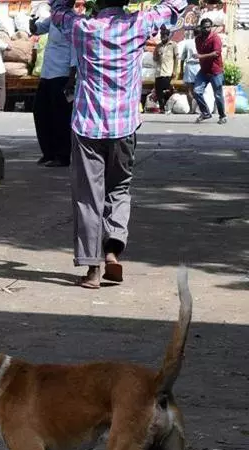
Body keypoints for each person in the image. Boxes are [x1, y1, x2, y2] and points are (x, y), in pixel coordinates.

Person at [50, 0, 187, 289]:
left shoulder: (83, 27)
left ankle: (91, 270)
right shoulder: (138, 24)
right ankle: (112, 250)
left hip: (88, 125)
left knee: (88, 197)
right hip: (124, 125)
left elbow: (58, 11)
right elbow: (173, 7)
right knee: (119, 188)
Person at [30, 9, 75, 166]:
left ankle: (62, 155)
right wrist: (32, 22)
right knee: (41, 112)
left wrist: (72, 78)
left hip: (62, 75)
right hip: (47, 74)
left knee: (60, 117)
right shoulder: (54, 19)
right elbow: (38, 29)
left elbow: (75, 51)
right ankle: (48, 153)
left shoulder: (72, 20)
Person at [192, 18, 226, 124]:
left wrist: (201, 56)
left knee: (218, 94)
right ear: (201, 27)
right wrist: (200, 56)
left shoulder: (215, 38)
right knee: (197, 91)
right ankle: (206, 113)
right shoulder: (198, 39)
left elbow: (216, 53)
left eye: (209, 26)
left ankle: (222, 116)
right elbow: (199, 52)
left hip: (215, 71)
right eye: (205, 27)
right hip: (204, 71)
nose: (207, 29)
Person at [153, 26, 177, 113]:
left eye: (164, 35)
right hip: (159, 72)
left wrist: (174, 70)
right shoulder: (158, 46)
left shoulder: (173, 45)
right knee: (158, 91)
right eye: (161, 35)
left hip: (168, 71)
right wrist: (157, 55)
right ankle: (162, 108)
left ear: (168, 35)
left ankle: (168, 106)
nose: (162, 36)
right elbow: (154, 58)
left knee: (167, 90)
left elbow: (176, 58)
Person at [179, 30, 202, 114]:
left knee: (189, 89)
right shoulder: (203, 42)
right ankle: (196, 109)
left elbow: (182, 58)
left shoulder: (187, 43)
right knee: (198, 89)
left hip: (189, 66)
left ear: (193, 34)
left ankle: (191, 109)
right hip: (199, 66)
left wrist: (181, 70)